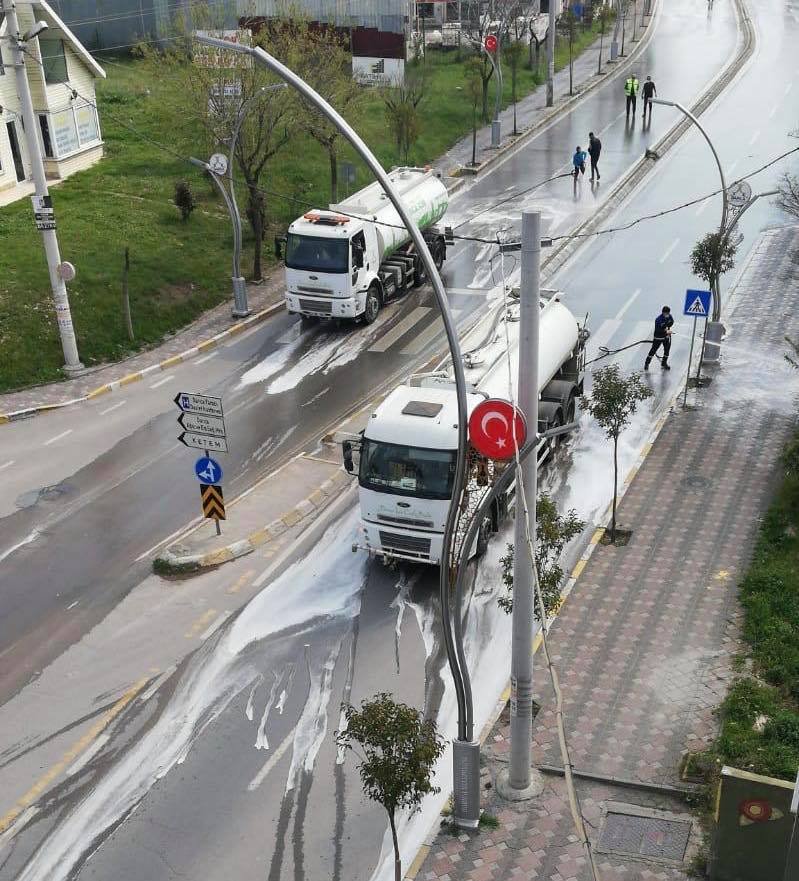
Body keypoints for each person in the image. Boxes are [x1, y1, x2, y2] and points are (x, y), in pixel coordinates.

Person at [644, 306, 674, 370]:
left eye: (668, 313)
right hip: (658, 338)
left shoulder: (669, 316)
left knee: (667, 350)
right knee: (653, 351)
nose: (668, 315)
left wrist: (668, 326)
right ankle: (647, 363)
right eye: (666, 313)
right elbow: (658, 330)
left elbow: (671, 322)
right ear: (663, 312)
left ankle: (664, 363)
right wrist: (666, 331)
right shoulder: (658, 319)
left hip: (666, 338)